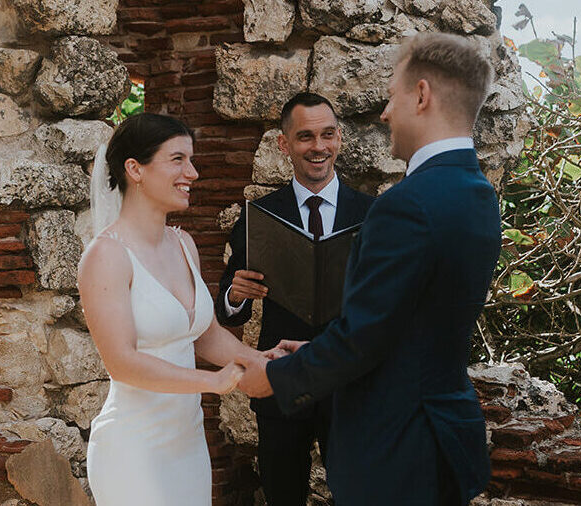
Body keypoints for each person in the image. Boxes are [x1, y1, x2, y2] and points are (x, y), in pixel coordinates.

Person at [236, 32, 501, 505]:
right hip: (443, 434)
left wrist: (276, 378)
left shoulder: (406, 205)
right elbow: (406, 326)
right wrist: (314, 347)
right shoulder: (477, 193)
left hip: (397, 448)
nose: (384, 113)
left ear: (421, 96)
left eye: (392, 96)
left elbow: (363, 338)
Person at [78, 113, 265, 506]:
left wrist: (263, 360)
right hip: (133, 450)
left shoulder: (184, 244)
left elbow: (207, 334)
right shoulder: (106, 256)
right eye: (178, 159)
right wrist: (212, 383)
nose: (192, 173)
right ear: (135, 169)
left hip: (187, 444)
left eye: (191, 160)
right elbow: (122, 363)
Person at [217, 92, 374, 505]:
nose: (318, 147)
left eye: (327, 134)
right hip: (283, 384)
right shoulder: (259, 217)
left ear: (339, 138)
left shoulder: (374, 215)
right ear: (284, 145)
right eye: (305, 136)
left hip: (350, 386)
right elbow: (230, 310)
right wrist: (235, 293)